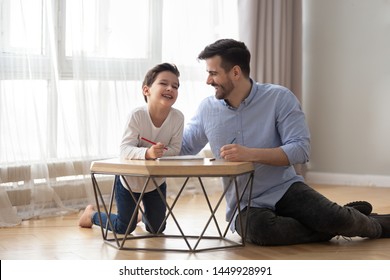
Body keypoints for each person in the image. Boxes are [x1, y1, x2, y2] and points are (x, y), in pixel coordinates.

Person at [180, 38, 390, 245]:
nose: (208, 81)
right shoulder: (207, 109)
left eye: (213, 73)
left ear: (235, 72)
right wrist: (151, 140)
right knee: (264, 231)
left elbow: (300, 149)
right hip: (245, 204)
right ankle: (337, 219)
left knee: (335, 218)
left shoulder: (279, 98)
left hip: (285, 188)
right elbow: (185, 146)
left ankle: (372, 226)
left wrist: (250, 154)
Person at [79, 63, 184, 234]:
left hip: (155, 182)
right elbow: (125, 150)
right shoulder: (137, 115)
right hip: (129, 181)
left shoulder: (178, 118)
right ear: (146, 90)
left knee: (157, 228)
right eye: (163, 83)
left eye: (175, 86)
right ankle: (91, 215)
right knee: (124, 227)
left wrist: (159, 152)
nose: (170, 88)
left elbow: (175, 149)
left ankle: (140, 215)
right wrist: (148, 153)